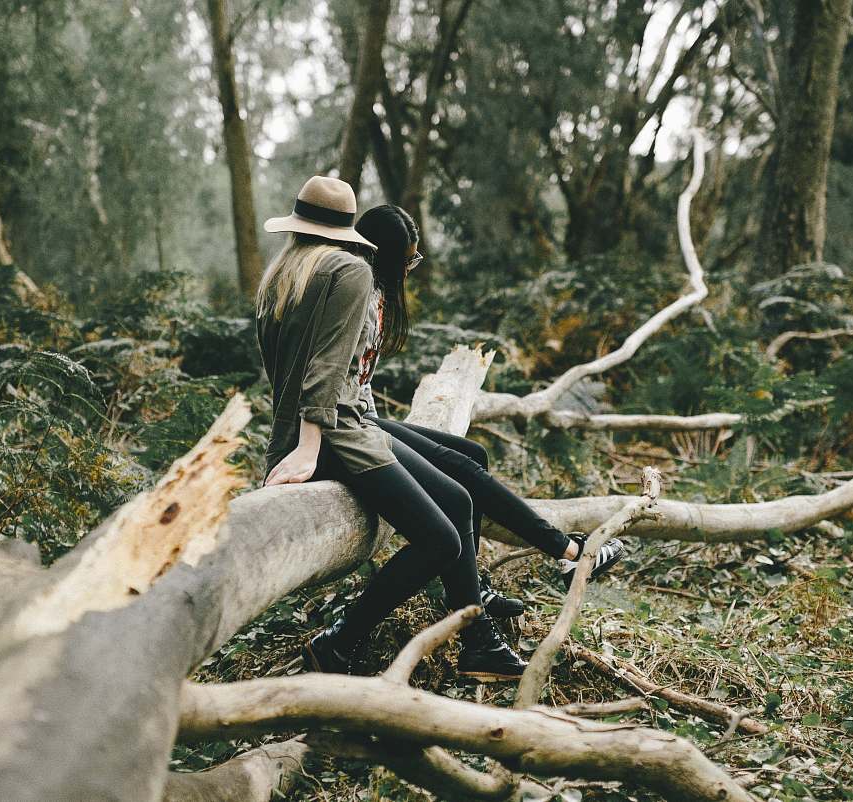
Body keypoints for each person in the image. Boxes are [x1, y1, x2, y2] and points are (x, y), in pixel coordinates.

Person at [255, 177, 616, 681]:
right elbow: (325, 371)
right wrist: (308, 448)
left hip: (330, 430)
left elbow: (294, 376)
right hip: (334, 435)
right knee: (442, 538)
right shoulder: (350, 271)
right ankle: (343, 641)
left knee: (462, 491)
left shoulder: (285, 272)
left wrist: (298, 441)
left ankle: (475, 631)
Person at [348, 204, 627, 617]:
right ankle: (567, 551)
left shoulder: (375, 294)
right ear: (386, 257)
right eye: (408, 260)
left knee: (473, 454)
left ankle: (476, 584)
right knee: (457, 483)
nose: (411, 269)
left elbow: (360, 382)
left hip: (363, 417)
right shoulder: (356, 297)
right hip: (353, 427)